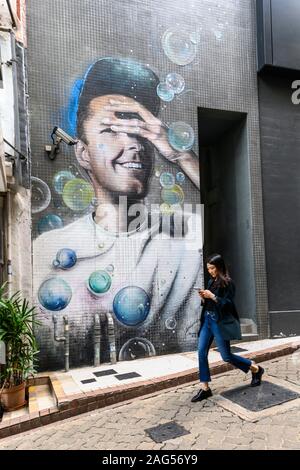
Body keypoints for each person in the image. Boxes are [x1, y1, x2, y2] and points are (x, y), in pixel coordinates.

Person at [33, 57, 203, 369]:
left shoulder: (184, 232)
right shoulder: (47, 251)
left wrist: (177, 152)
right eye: (113, 129)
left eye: (140, 130)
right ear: (83, 152)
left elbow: (225, 199)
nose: (134, 144)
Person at [191, 253, 264, 403]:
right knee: (201, 352)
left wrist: (213, 297)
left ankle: (255, 369)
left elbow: (228, 305)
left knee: (226, 356)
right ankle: (205, 388)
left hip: (219, 323)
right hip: (207, 321)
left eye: (212, 268)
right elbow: (210, 303)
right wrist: (204, 298)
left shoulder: (228, 283)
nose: (210, 271)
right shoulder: (211, 281)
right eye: (208, 269)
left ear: (219, 267)